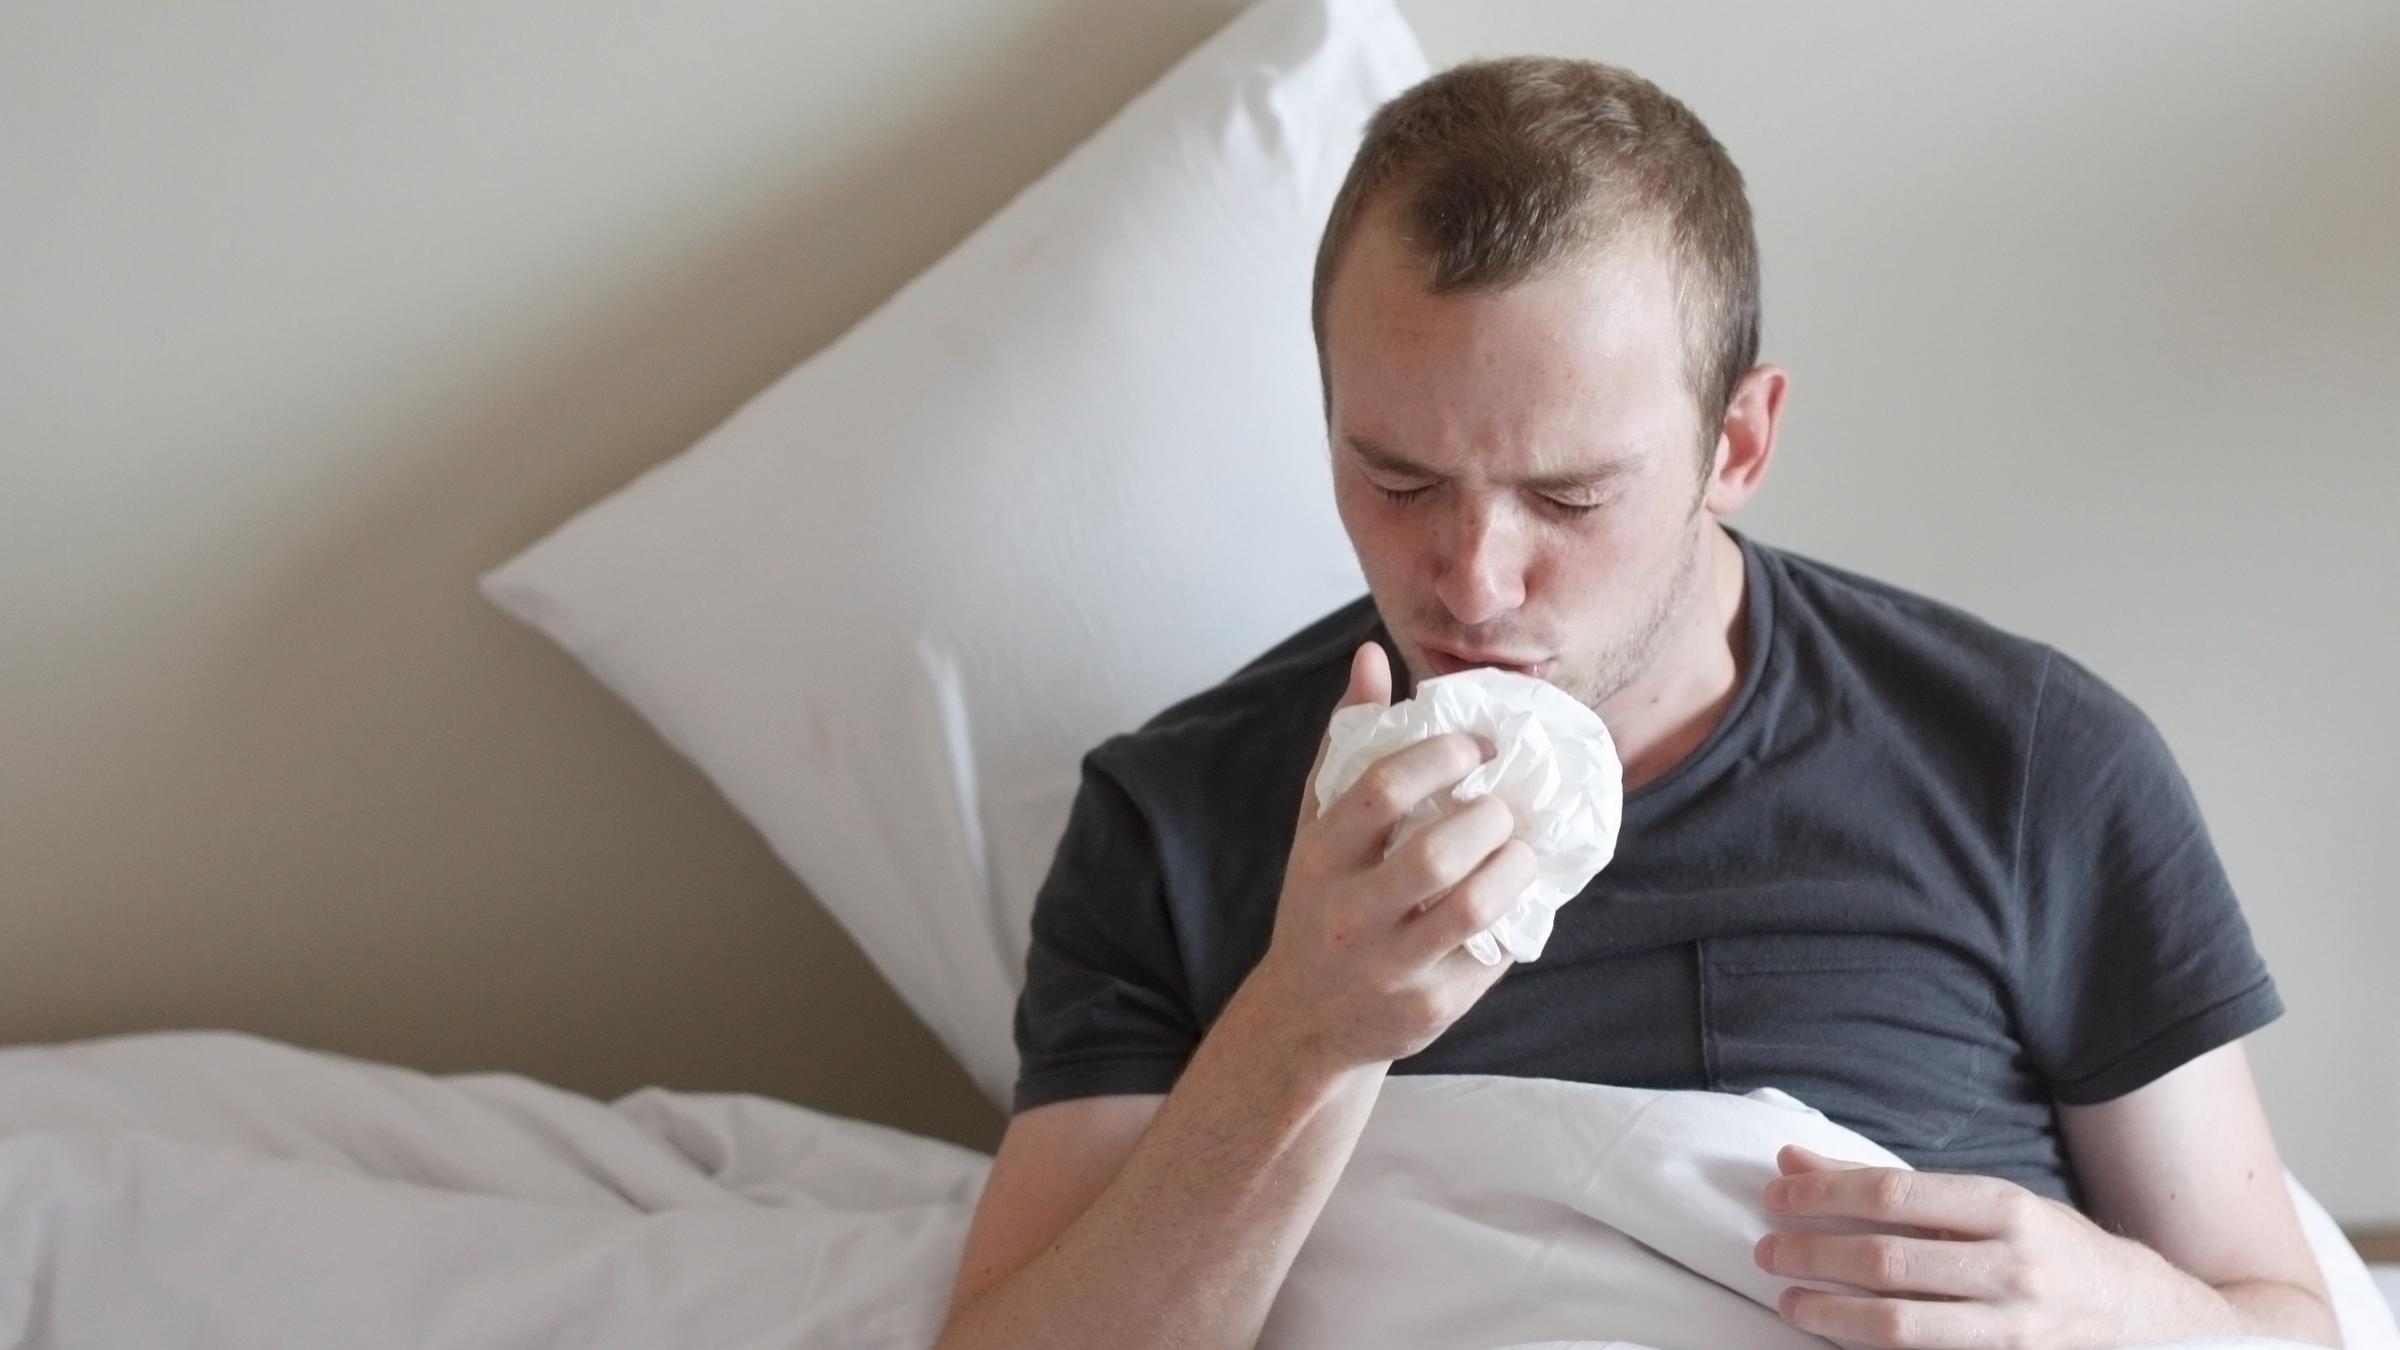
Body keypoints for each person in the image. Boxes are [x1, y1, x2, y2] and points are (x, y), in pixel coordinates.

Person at [934, 56, 2337, 1350]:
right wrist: (1304, 1031)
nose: (1471, 582)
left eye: (1569, 496)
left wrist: (2113, 1306)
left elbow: (2285, 1324)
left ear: (1739, 443)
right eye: (1399, 479)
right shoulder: (1175, 821)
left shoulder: (2025, 764)